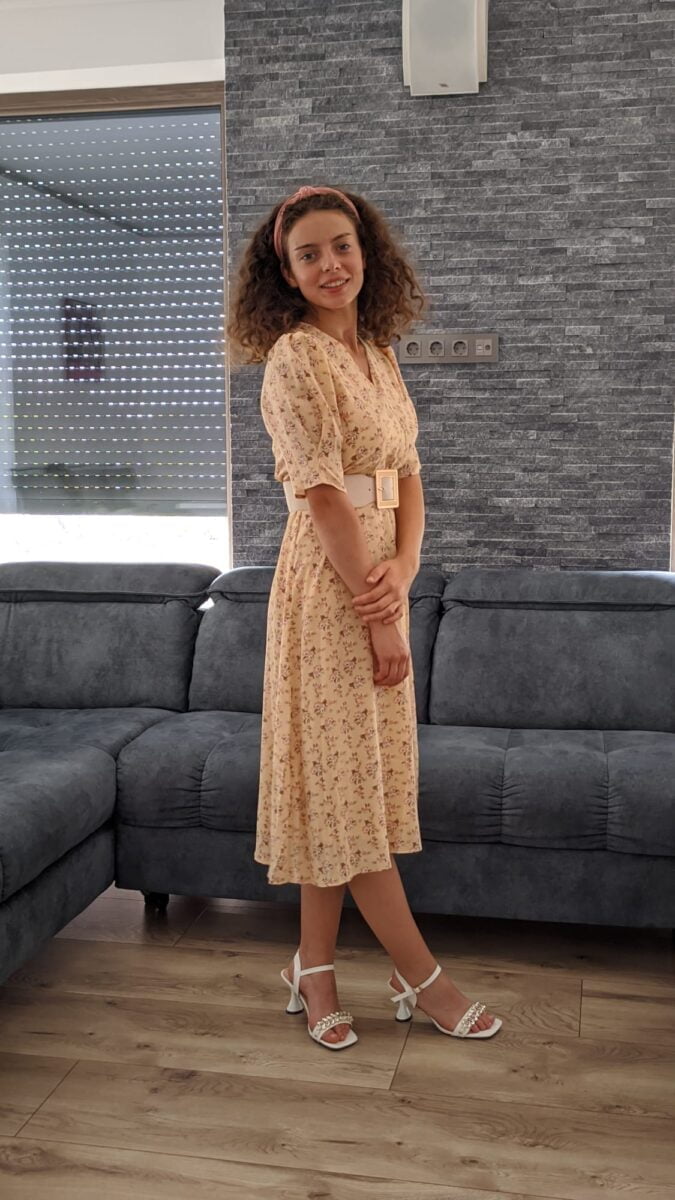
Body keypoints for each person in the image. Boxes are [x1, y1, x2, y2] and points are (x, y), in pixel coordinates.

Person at [227, 184, 502, 1049]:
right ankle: (421, 976)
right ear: (285, 272)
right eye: (307, 254)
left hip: (382, 577)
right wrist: (378, 613)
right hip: (329, 591)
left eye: (340, 245)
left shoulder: (379, 353)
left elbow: (406, 473)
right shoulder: (294, 358)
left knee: (344, 785)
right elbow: (322, 496)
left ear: (365, 251)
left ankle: (312, 968)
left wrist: (407, 569)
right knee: (344, 784)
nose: (329, 265)